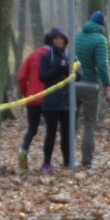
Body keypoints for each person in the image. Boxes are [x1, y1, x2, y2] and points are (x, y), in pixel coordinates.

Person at [74, 10, 110, 168]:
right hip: (90, 85)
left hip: (72, 84)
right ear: (102, 24)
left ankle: (69, 159)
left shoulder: (76, 36)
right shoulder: (100, 40)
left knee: (71, 123)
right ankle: (87, 161)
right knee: (89, 124)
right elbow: (102, 65)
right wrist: (107, 87)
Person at [37, 28, 73, 173]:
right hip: (51, 103)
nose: (59, 41)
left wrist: (68, 68)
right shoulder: (46, 57)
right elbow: (43, 77)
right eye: (56, 38)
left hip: (67, 101)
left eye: (61, 38)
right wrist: (57, 67)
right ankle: (47, 163)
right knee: (51, 133)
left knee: (67, 133)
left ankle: (68, 161)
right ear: (51, 41)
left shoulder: (71, 56)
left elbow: (78, 76)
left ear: (65, 41)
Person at [17, 34, 52, 170]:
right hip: (49, 97)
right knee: (51, 130)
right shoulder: (54, 56)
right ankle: (47, 162)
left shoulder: (32, 55)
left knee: (32, 129)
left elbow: (21, 77)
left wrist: (26, 93)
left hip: (32, 97)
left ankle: (23, 150)